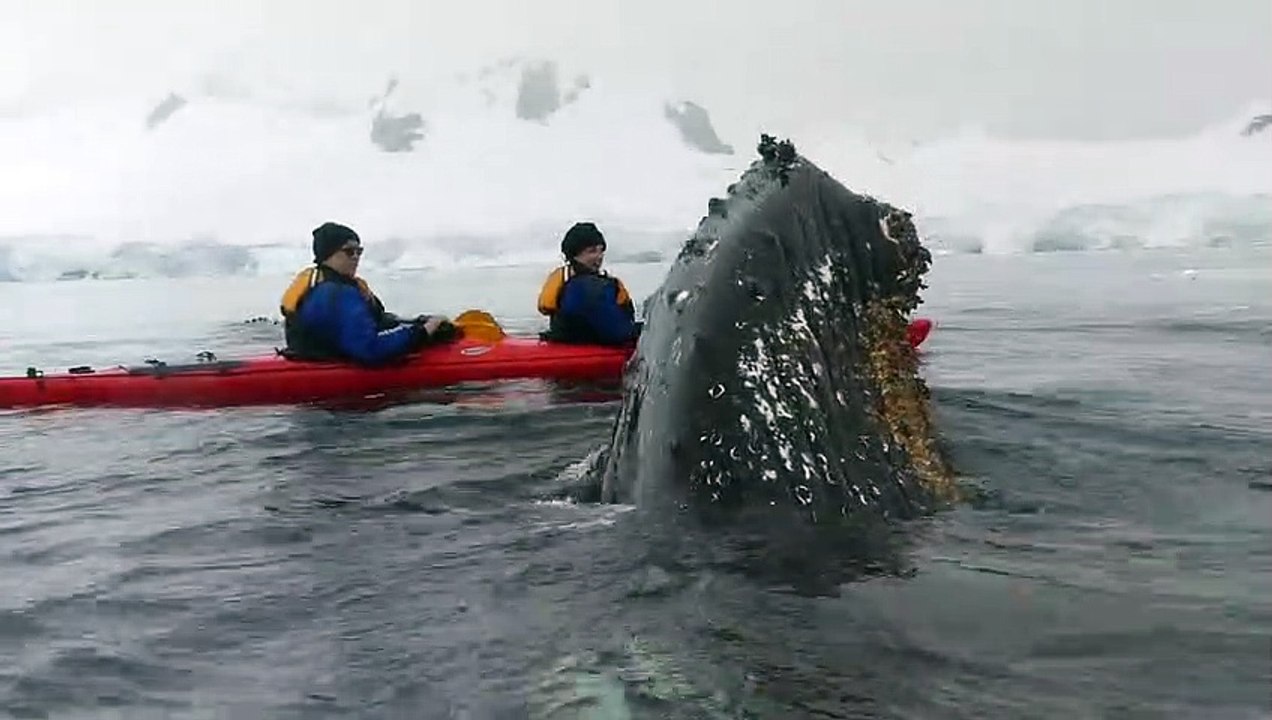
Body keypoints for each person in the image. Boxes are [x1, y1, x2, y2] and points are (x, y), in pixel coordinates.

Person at [280, 221, 452, 364]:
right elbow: (369, 349)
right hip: (335, 368)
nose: (356, 257)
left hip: (315, 356)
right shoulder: (337, 293)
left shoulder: (327, 285)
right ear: (328, 255)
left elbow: (376, 320)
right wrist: (422, 333)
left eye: (359, 251)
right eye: (349, 251)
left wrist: (418, 323)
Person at [536, 221, 640, 345]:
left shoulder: (567, 278)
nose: (599, 256)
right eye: (592, 251)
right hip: (597, 350)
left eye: (601, 251)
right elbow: (617, 333)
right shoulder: (587, 288)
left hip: (568, 343)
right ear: (574, 255)